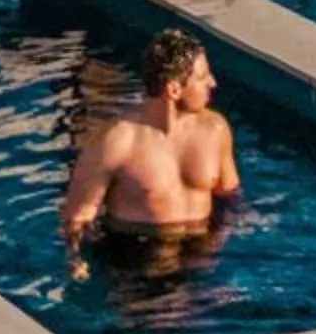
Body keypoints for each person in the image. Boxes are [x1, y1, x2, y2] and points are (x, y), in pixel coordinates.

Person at [61, 28, 241, 265]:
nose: (213, 83)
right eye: (202, 77)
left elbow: (229, 196)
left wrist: (223, 240)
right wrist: (77, 263)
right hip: (137, 259)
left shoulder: (215, 130)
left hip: (201, 255)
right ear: (174, 89)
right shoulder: (117, 141)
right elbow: (78, 217)